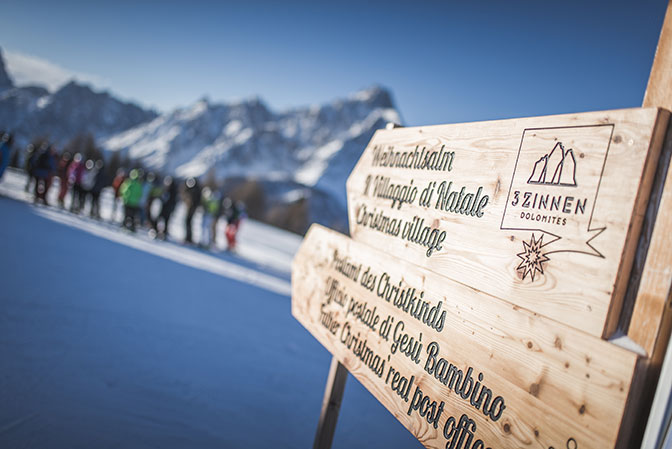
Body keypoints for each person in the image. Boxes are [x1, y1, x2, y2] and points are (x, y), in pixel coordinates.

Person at [183, 177, 201, 244]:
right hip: (188, 208)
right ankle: (187, 237)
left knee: (188, 222)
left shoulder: (196, 190)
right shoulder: (189, 189)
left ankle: (189, 238)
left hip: (192, 208)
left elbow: (197, 200)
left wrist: (194, 206)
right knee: (187, 222)